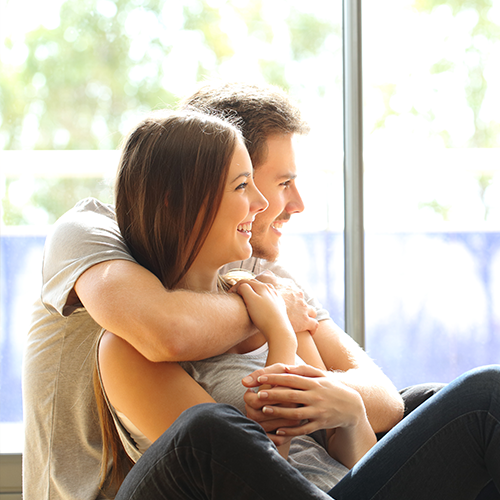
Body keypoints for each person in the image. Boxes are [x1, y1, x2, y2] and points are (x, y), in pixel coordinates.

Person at [23, 81, 410, 500]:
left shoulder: (258, 275)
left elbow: (381, 406)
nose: (276, 202)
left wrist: (348, 410)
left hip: (310, 480)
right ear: (196, 183)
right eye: (264, 183)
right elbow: (167, 334)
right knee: (208, 430)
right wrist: (274, 320)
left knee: (447, 398)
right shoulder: (91, 237)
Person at [95, 108, 378, 494]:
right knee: (209, 427)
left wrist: (352, 413)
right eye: (243, 185)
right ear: (172, 201)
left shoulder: (263, 294)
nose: (262, 203)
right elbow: (253, 471)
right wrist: (280, 335)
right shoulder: (125, 350)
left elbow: (346, 456)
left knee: (482, 394)